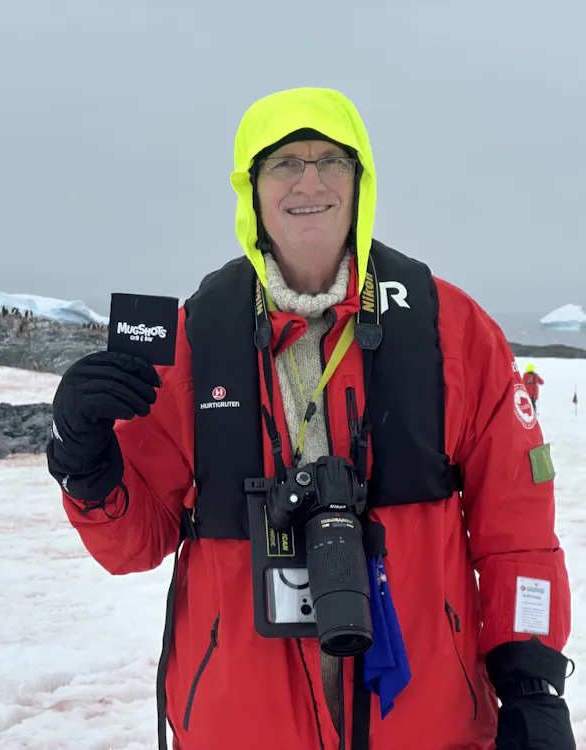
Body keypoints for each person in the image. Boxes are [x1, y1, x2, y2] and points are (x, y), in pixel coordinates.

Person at [46, 88, 574, 750]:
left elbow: (516, 530)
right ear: (251, 188)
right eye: (285, 163)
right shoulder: (197, 339)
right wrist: (82, 454)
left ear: (360, 180)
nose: (310, 182)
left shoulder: (452, 329)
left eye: (331, 160)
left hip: (425, 724)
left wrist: (531, 683)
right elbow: (134, 540)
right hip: (242, 728)